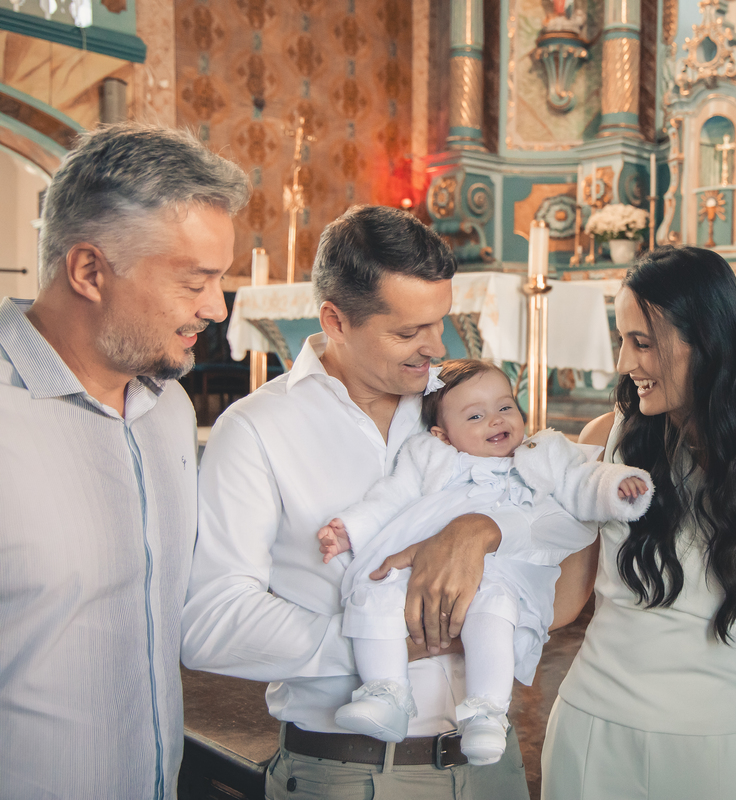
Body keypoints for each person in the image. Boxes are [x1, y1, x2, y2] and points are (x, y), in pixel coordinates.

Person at [182, 205, 593, 800]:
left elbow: (568, 523)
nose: (435, 348)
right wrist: (391, 641)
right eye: (407, 333)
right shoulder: (257, 429)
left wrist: (483, 528)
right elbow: (211, 623)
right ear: (335, 320)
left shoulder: (467, 407)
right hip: (349, 773)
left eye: (439, 323)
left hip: (492, 764)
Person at [0, 124, 247, 799]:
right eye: (194, 281)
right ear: (89, 270)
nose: (215, 307)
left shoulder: (169, 410)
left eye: (220, 280)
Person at [540, 246, 736, 800]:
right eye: (622, 340)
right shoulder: (602, 440)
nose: (625, 362)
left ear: (707, 340)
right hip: (594, 722)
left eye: (642, 343)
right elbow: (563, 602)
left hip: (722, 734)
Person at [317, 359, 652, 762]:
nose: (496, 420)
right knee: (376, 591)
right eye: (475, 416)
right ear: (442, 434)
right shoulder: (431, 455)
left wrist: (616, 485)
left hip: (500, 572)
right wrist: (350, 528)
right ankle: (385, 692)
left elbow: (582, 481)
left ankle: (486, 714)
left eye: (505, 406)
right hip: (421, 561)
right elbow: (391, 496)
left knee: (494, 611)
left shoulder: (543, 452)